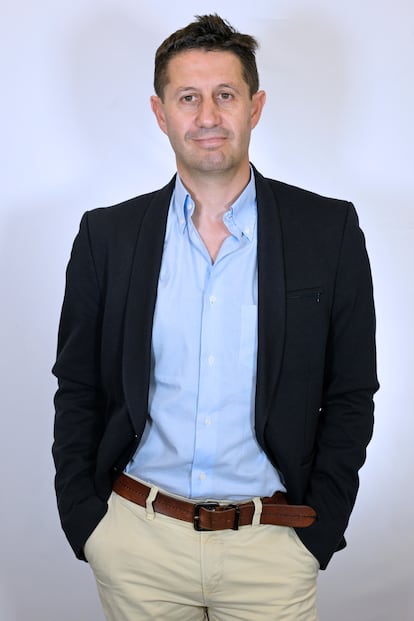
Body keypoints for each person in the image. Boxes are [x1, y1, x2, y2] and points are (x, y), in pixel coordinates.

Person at [52, 13, 379, 621]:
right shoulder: (107, 236)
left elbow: (351, 392)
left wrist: (318, 531)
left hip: (272, 546)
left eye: (225, 95)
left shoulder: (328, 231)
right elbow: (77, 388)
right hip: (137, 544)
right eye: (188, 98)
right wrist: (88, 523)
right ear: (161, 113)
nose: (207, 116)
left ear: (255, 107)